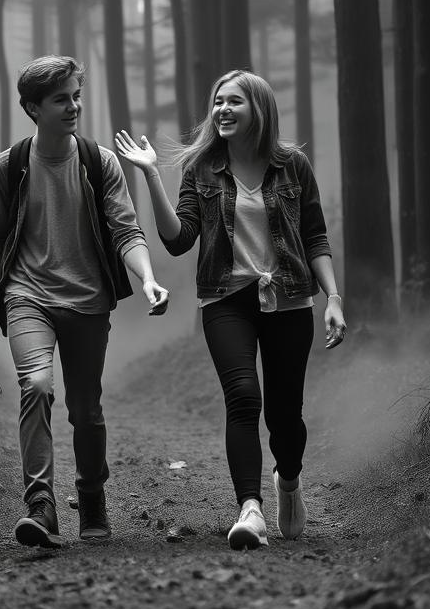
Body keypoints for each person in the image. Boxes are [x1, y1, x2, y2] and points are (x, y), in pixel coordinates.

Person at [115, 69, 346, 550]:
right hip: (225, 299)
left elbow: (315, 235)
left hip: (288, 298)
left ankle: (288, 480)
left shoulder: (292, 166)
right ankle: (250, 509)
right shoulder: (202, 168)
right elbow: (178, 241)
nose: (222, 109)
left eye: (234, 102)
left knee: (286, 414)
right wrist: (152, 174)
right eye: (218, 101)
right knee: (243, 396)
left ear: (258, 109)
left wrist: (333, 299)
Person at [0, 55, 169, 549]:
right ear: (32, 108)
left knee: (86, 409)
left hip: (88, 300)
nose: (73, 106)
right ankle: (40, 507)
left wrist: (147, 279)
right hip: (26, 296)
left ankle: (92, 498)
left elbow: (127, 231)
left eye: (77, 95)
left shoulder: (98, 162)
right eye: (62, 98)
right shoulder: (10, 166)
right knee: (36, 386)